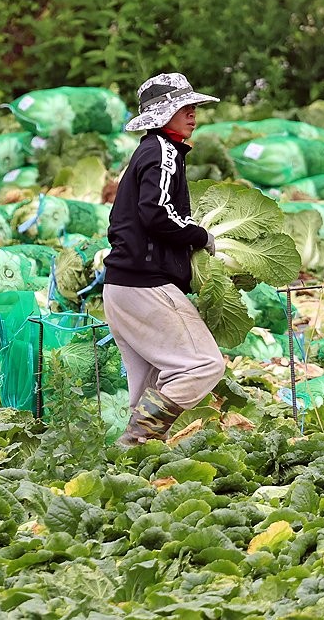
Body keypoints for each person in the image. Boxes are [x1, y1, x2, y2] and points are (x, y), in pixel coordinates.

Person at [103, 73, 226, 446]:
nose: (193, 115)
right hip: (144, 285)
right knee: (205, 365)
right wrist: (200, 235)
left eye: (192, 108)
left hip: (120, 289)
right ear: (161, 114)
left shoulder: (151, 151)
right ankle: (136, 438)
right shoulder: (162, 151)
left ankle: (132, 466)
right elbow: (156, 211)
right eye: (184, 108)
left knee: (149, 387)